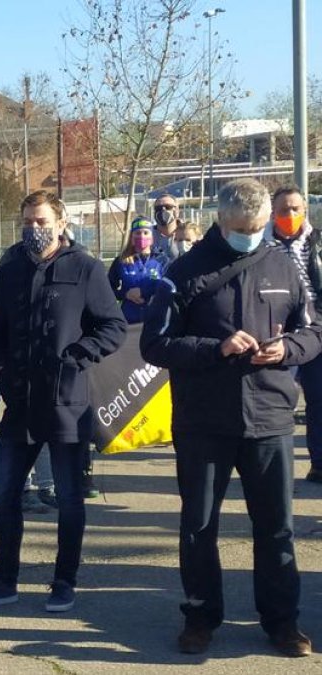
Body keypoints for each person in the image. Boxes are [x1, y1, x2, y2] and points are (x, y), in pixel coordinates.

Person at [141, 178, 321, 658]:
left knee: (276, 526)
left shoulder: (284, 263)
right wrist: (214, 348)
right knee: (199, 525)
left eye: (260, 227)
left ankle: (282, 623)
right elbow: (154, 344)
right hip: (204, 421)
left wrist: (289, 348)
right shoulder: (183, 271)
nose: (252, 234)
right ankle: (200, 616)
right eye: (242, 228)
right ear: (221, 220)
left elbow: (315, 330)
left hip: (271, 417)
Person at [0, 190, 126, 613]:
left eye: (40, 221)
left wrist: (78, 356)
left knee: (70, 498)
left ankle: (64, 581)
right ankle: (5, 580)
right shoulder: (11, 269)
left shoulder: (87, 269)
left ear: (60, 223)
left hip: (67, 404)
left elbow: (114, 327)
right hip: (19, 404)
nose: (33, 229)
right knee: (4, 495)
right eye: (26, 221)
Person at [265, 185, 322, 484]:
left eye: (295, 209)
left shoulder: (318, 243)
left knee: (318, 399)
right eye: (283, 210)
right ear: (272, 214)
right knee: (278, 402)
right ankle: (276, 468)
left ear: (305, 211)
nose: (290, 215)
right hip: (279, 332)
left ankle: (319, 464)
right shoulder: (262, 246)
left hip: (315, 330)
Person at [108, 217, 165, 324]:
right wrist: (125, 294)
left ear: (152, 237)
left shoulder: (161, 260)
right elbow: (107, 289)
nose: (142, 236)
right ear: (132, 237)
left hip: (155, 321)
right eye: (137, 233)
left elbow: (166, 288)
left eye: (146, 232)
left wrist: (144, 292)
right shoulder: (121, 261)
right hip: (129, 321)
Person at [151, 193, 183, 263]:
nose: (163, 210)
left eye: (168, 207)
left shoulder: (188, 233)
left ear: (177, 211)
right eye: (158, 208)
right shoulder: (147, 235)